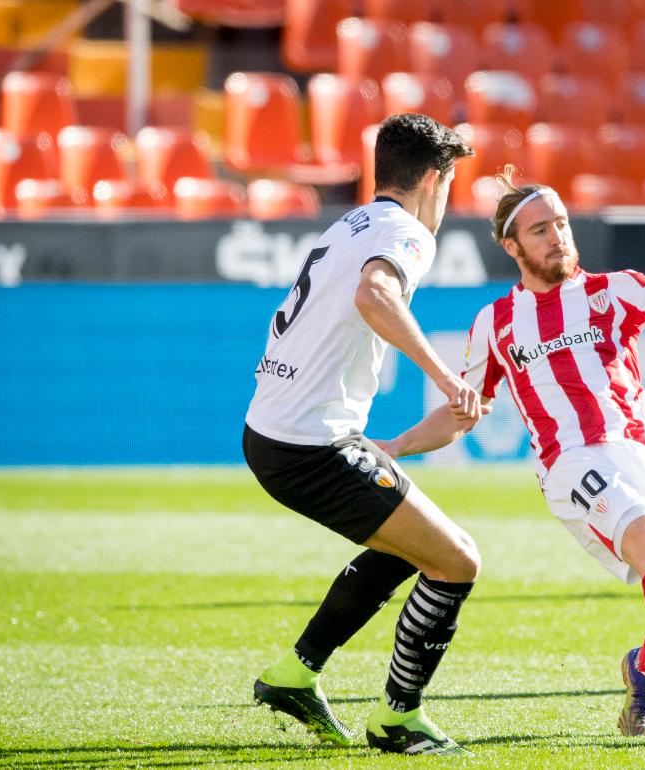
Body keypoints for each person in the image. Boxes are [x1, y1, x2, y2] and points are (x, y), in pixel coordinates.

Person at [381, 166, 645, 737]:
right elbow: (464, 410)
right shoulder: (495, 323)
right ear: (512, 245)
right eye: (540, 230)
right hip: (572, 462)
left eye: (561, 223)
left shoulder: (615, 289)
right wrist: (396, 446)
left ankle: (642, 669)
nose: (557, 236)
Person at [242, 113, 487, 755]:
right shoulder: (405, 231)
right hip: (309, 442)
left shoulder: (350, 223)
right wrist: (443, 375)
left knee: (410, 545)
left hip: (277, 432)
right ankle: (398, 719)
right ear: (434, 179)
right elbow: (374, 296)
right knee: (456, 560)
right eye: (451, 183)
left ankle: (296, 675)